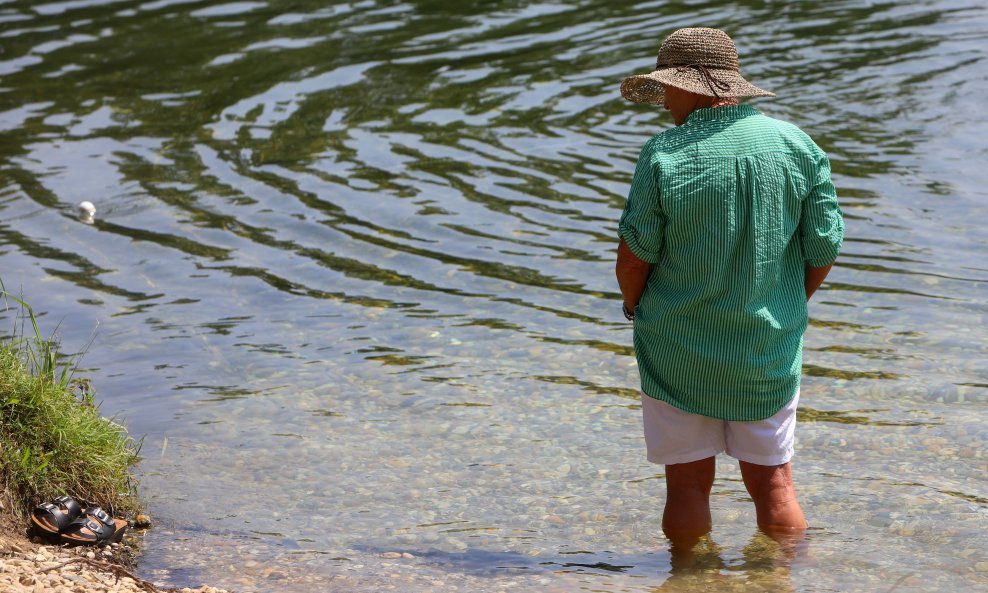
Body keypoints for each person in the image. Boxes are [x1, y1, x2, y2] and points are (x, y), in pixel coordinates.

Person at [614, 28, 844, 550]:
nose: (666, 101)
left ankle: (688, 581)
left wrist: (633, 306)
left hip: (677, 346)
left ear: (692, 87)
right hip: (767, 346)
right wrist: (790, 302)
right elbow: (825, 246)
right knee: (773, 483)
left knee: (687, 484)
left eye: (668, 88)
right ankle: (781, 581)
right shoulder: (797, 146)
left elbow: (633, 257)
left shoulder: (664, 153)